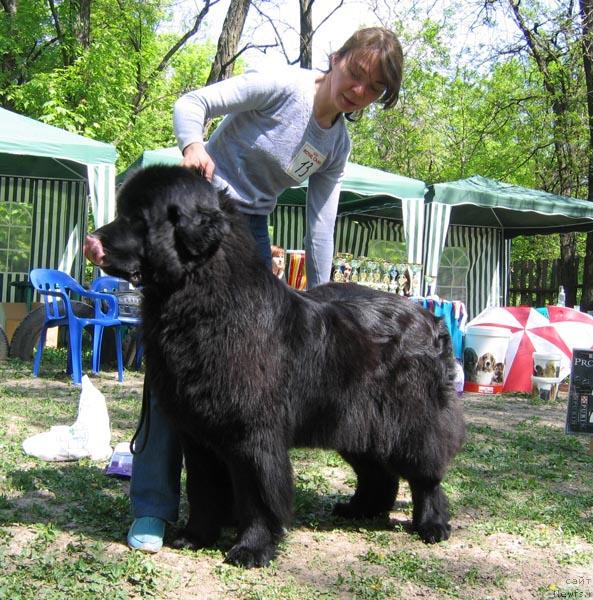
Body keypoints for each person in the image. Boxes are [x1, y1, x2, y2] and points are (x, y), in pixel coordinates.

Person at [127, 26, 404, 553]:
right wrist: (192, 145)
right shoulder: (282, 86)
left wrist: (323, 300)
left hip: (250, 232)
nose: (359, 92)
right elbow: (194, 102)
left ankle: (235, 504)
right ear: (336, 58)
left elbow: (321, 223)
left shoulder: (337, 143)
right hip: (196, 214)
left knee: (246, 378)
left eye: (373, 90)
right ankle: (153, 508)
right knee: (176, 365)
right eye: (356, 74)